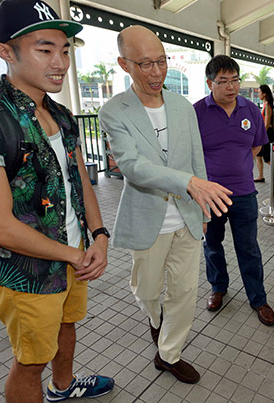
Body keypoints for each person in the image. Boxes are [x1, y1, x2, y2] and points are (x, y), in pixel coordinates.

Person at [0, 0, 114, 402]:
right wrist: (71, 255)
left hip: (74, 254)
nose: (60, 63)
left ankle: (63, 389)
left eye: (65, 50)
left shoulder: (61, 113)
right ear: (5, 52)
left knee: (67, 326)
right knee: (29, 361)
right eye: (44, 49)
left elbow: (79, 176)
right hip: (26, 269)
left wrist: (98, 235)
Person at [99, 26, 232, 384]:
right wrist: (186, 182)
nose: (157, 72)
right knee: (147, 292)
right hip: (147, 220)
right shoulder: (114, 111)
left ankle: (169, 354)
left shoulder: (182, 106)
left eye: (161, 61)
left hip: (186, 217)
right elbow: (132, 167)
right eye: (145, 64)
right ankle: (154, 318)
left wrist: (202, 207)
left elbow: (196, 161)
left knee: (185, 291)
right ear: (124, 64)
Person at [194, 55, 274, 326]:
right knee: (213, 245)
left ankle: (258, 298)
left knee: (249, 247)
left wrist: (237, 167)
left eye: (235, 80)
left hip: (244, 193)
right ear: (210, 83)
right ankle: (218, 288)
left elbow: (256, 147)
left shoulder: (251, 110)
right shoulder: (197, 112)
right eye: (223, 81)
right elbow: (190, 152)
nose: (231, 87)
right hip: (210, 195)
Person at [254, 85, 274, 182]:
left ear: (264, 94)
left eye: (259, 92)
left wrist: (261, 135)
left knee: (267, 159)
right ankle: (260, 176)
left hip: (266, 133)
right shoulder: (265, 105)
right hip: (265, 132)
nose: (258, 94)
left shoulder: (267, 106)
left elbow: (267, 123)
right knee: (259, 156)